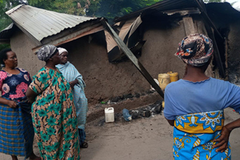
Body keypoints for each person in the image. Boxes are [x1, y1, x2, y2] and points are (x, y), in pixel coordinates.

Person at [164, 33, 240, 160]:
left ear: (183, 58)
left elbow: (172, 122)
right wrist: (228, 128)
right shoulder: (224, 88)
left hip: (185, 155)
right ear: (210, 58)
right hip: (218, 154)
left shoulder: (171, 90)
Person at [26, 45, 80, 160]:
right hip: (50, 116)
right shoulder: (43, 74)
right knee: (53, 140)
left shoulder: (57, 71)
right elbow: (29, 93)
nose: (59, 56)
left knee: (65, 139)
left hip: (64, 115)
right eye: (57, 54)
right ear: (51, 58)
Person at [0, 48, 40, 160]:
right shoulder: (1, 75)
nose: (16, 59)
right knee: (13, 134)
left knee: (29, 131)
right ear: (4, 60)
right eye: (12, 57)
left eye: (16, 56)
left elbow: (32, 87)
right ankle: (14, 158)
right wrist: (8, 102)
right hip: (11, 109)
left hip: (26, 107)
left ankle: (31, 154)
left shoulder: (24, 72)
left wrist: (32, 98)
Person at [56, 47, 88, 148]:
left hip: (76, 96)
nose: (65, 58)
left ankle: (82, 140)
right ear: (58, 56)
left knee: (80, 119)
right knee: (68, 120)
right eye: (63, 56)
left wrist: (74, 82)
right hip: (64, 99)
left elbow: (79, 78)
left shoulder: (71, 66)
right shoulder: (55, 69)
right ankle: (72, 144)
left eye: (66, 56)